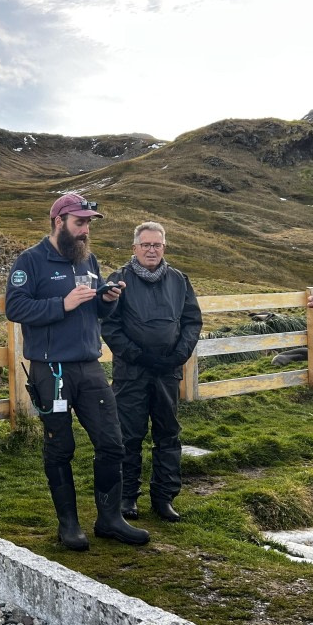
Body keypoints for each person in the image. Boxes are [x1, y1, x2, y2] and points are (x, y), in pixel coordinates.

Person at [6, 193, 150, 550]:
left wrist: (106, 302)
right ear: (59, 221)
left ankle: (110, 519)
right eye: (80, 222)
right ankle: (68, 526)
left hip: (89, 366)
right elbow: (15, 306)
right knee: (60, 447)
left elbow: (96, 315)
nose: (86, 230)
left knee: (113, 443)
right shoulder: (31, 260)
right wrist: (62, 303)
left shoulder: (89, 260)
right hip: (50, 369)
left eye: (88, 223)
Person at [101, 222, 202, 522]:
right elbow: (109, 325)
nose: (151, 249)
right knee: (128, 436)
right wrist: (138, 356)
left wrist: (178, 356)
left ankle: (164, 497)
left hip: (167, 372)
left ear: (164, 247)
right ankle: (127, 497)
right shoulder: (119, 280)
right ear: (134, 248)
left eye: (157, 245)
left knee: (168, 434)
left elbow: (191, 321)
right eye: (145, 244)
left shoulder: (178, 280)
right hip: (131, 373)